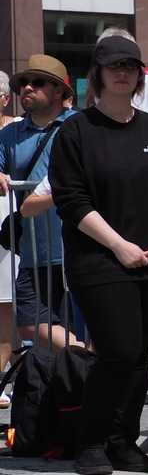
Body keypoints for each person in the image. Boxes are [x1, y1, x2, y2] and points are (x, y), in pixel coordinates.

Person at [49, 34, 148, 475]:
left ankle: (123, 441)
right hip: (101, 261)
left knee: (140, 354)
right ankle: (90, 442)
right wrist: (118, 245)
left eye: (130, 65)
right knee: (118, 351)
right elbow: (71, 202)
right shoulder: (76, 130)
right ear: (97, 74)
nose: (123, 72)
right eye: (113, 65)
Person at [0, 56, 78, 356]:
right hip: (34, 251)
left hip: (80, 247)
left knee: (82, 323)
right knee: (30, 324)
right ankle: (90, 359)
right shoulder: (10, 134)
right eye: (24, 84)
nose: (27, 88)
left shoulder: (79, 125)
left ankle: (86, 383)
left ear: (59, 91)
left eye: (37, 82)